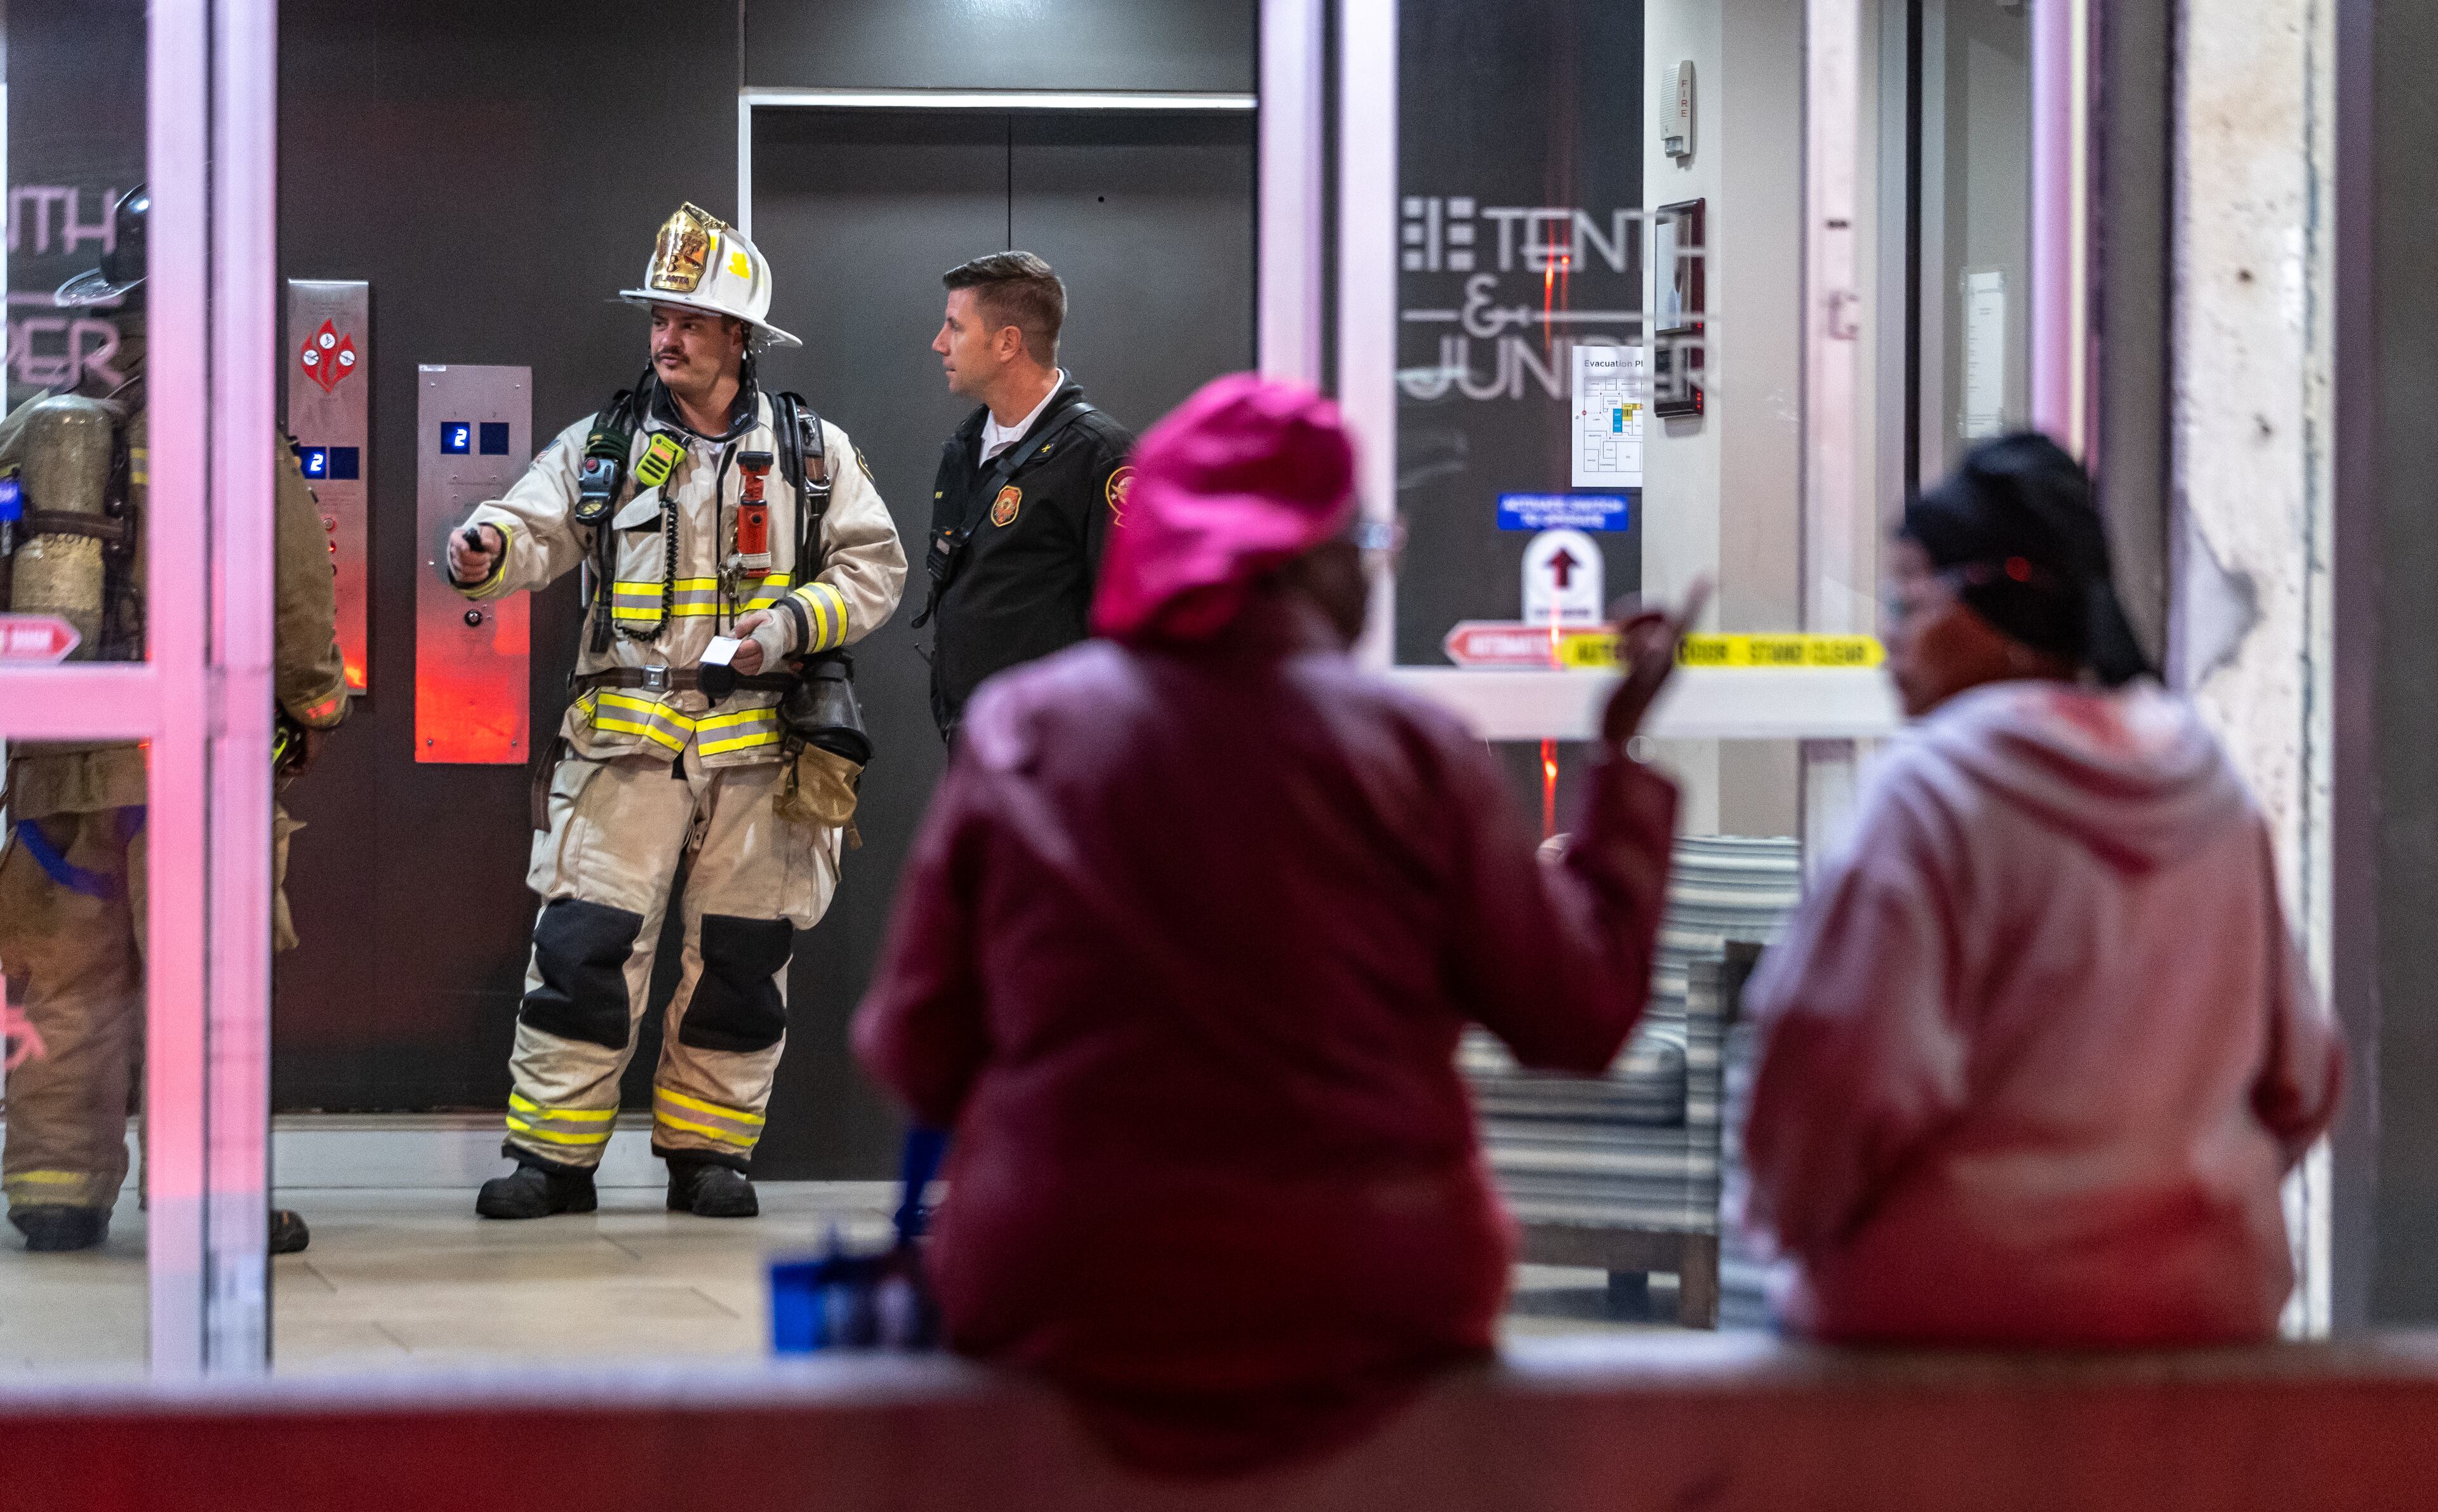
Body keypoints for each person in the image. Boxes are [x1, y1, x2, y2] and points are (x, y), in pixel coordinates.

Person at [855, 374, 1693, 1475]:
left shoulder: (1027, 730)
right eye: (1365, 537)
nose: (1374, 566)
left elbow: (914, 1046)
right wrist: (1620, 767)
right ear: (1305, 555)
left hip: (1070, 1291)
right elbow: (1575, 1018)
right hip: (1368, 1301)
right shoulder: (1414, 750)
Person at [1736, 432, 2344, 1346]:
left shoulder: (1934, 793)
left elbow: (1831, 1074)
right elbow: (2304, 1075)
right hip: (2201, 1314)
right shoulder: (2208, 784)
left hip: (1944, 1326)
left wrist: (1787, 1228)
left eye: (1905, 604)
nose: (1885, 645)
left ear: (1989, 605)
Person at [443, 202, 907, 1221]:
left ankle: (709, 1156)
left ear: (740, 335)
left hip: (760, 758)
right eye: (659, 316)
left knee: (741, 965)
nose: (666, 336)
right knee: (580, 955)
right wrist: (482, 546)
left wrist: (786, 625)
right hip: (621, 752)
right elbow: (526, 525)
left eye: (690, 319)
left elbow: (875, 571)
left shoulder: (811, 452)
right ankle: (554, 1160)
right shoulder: (602, 444)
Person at [0, 185, 350, 1254]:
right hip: (196, 766)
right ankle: (207, 1198)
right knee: (204, 987)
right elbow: (295, 588)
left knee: (62, 980)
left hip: (61, 759)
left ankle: (55, 1191)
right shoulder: (235, 441)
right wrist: (314, 703)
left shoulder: (37, 428)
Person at [915, 251, 1135, 743]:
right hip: (975, 735)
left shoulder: (1101, 457)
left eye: (955, 327)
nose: (939, 344)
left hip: (1062, 749)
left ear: (1007, 343)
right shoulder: (966, 446)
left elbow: (1126, 623)